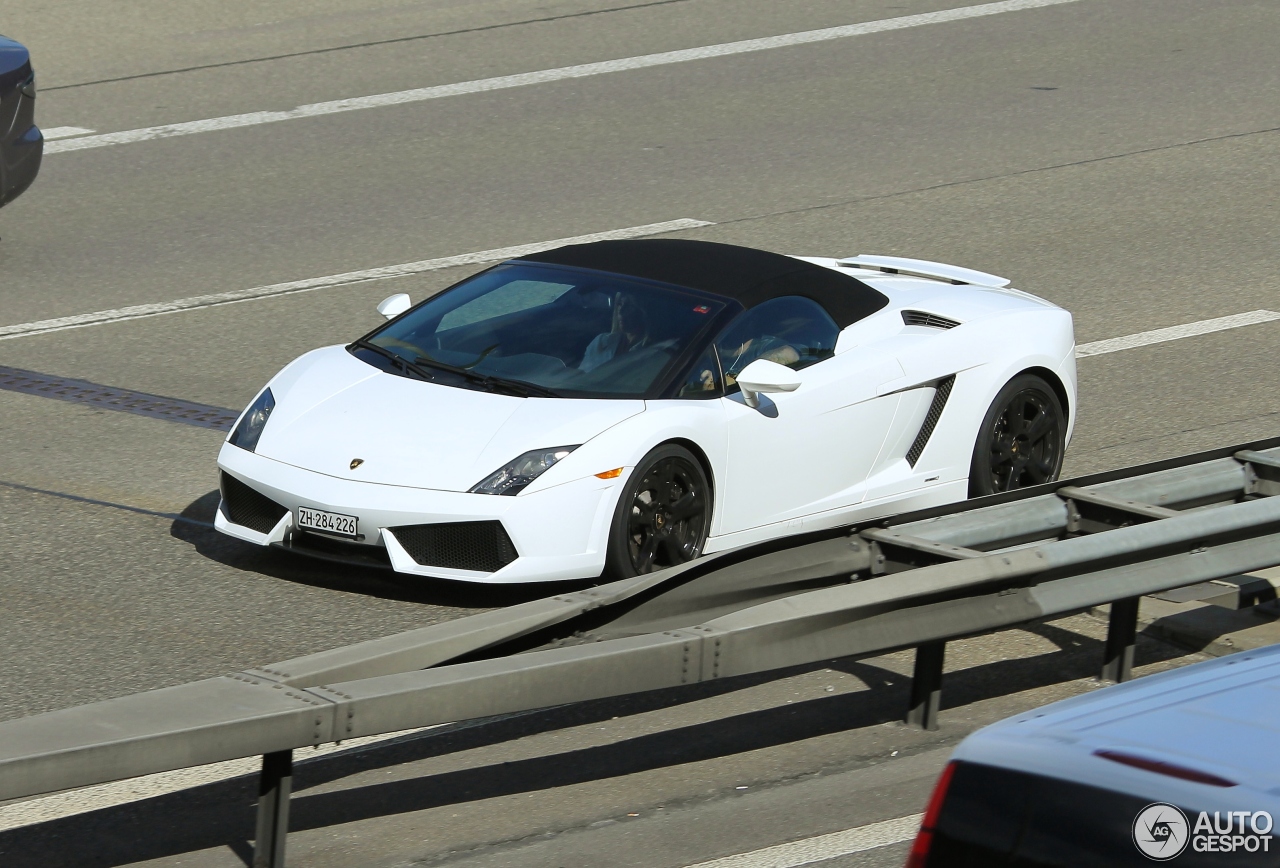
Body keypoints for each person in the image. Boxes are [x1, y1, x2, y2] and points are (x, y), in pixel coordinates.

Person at [580, 293, 650, 372]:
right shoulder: (601, 342)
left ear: (643, 312)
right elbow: (581, 375)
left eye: (630, 306)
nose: (621, 311)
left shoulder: (650, 353)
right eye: (619, 304)